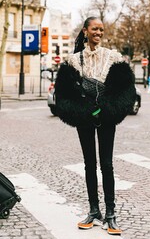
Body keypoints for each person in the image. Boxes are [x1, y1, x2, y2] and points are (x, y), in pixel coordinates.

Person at [55, 17, 136, 236]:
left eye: (101, 29)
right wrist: (82, 110)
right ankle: (93, 210)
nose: (98, 32)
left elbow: (126, 90)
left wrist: (108, 109)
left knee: (107, 165)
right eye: (94, 29)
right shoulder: (73, 60)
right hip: (84, 118)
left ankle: (111, 213)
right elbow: (62, 94)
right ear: (85, 31)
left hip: (107, 118)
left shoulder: (113, 57)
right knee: (89, 164)